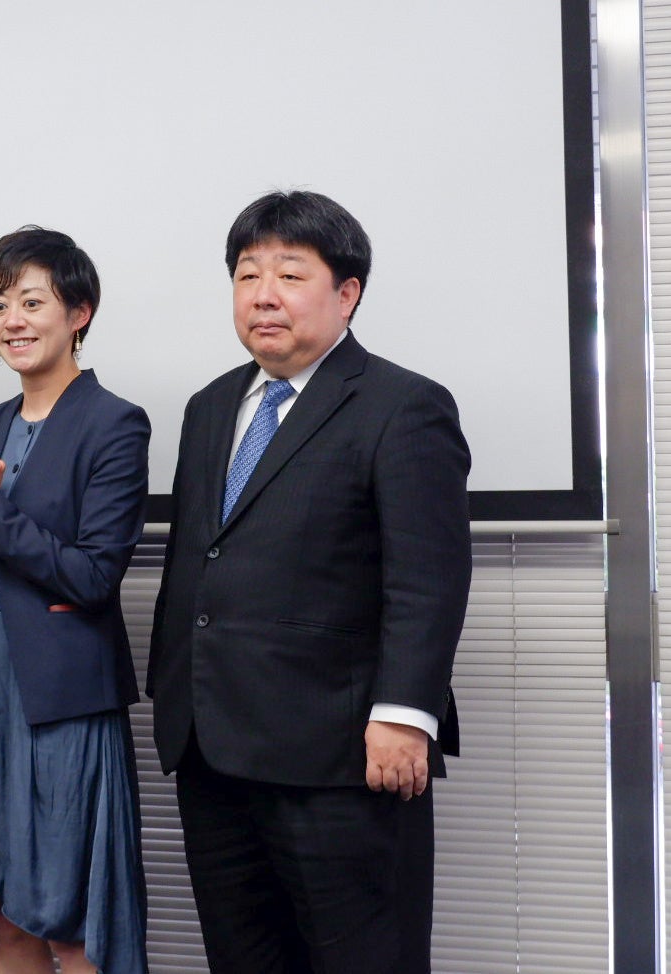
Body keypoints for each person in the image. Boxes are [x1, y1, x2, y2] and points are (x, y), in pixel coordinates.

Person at [148, 190, 471, 974]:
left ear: (347, 293)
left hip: (340, 756)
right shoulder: (209, 406)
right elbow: (203, 557)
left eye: (290, 275)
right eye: (247, 275)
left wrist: (405, 714)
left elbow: (427, 579)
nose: (263, 295)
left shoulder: (403, 406)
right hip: (212, 749)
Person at [0, 227, 151, 973]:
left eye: (31, 301)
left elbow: (93, 575)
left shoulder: (115, 422)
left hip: (62, 696)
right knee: (7, 912)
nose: (11, 320)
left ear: (79, 312)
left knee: (71, 919)